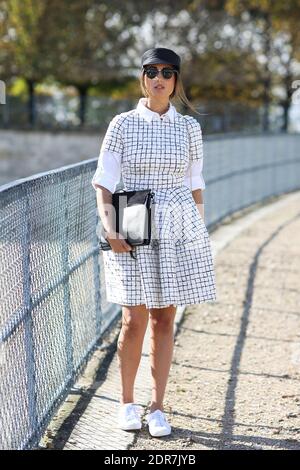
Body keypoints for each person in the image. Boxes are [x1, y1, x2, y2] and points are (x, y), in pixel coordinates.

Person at [91, 47, 217, 437]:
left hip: (178, 225)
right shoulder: (123, 124)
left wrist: (198, 231)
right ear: (142, 78)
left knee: (165, 319)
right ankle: (127, 402)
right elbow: (104, 181)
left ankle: (158, 406)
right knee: (133, 319)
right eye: (151, 71)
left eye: (167, 72)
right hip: (133, 219)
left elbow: (194, 183)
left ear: (176, 80)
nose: (159, 78)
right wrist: (110, 229)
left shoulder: (189, 128)